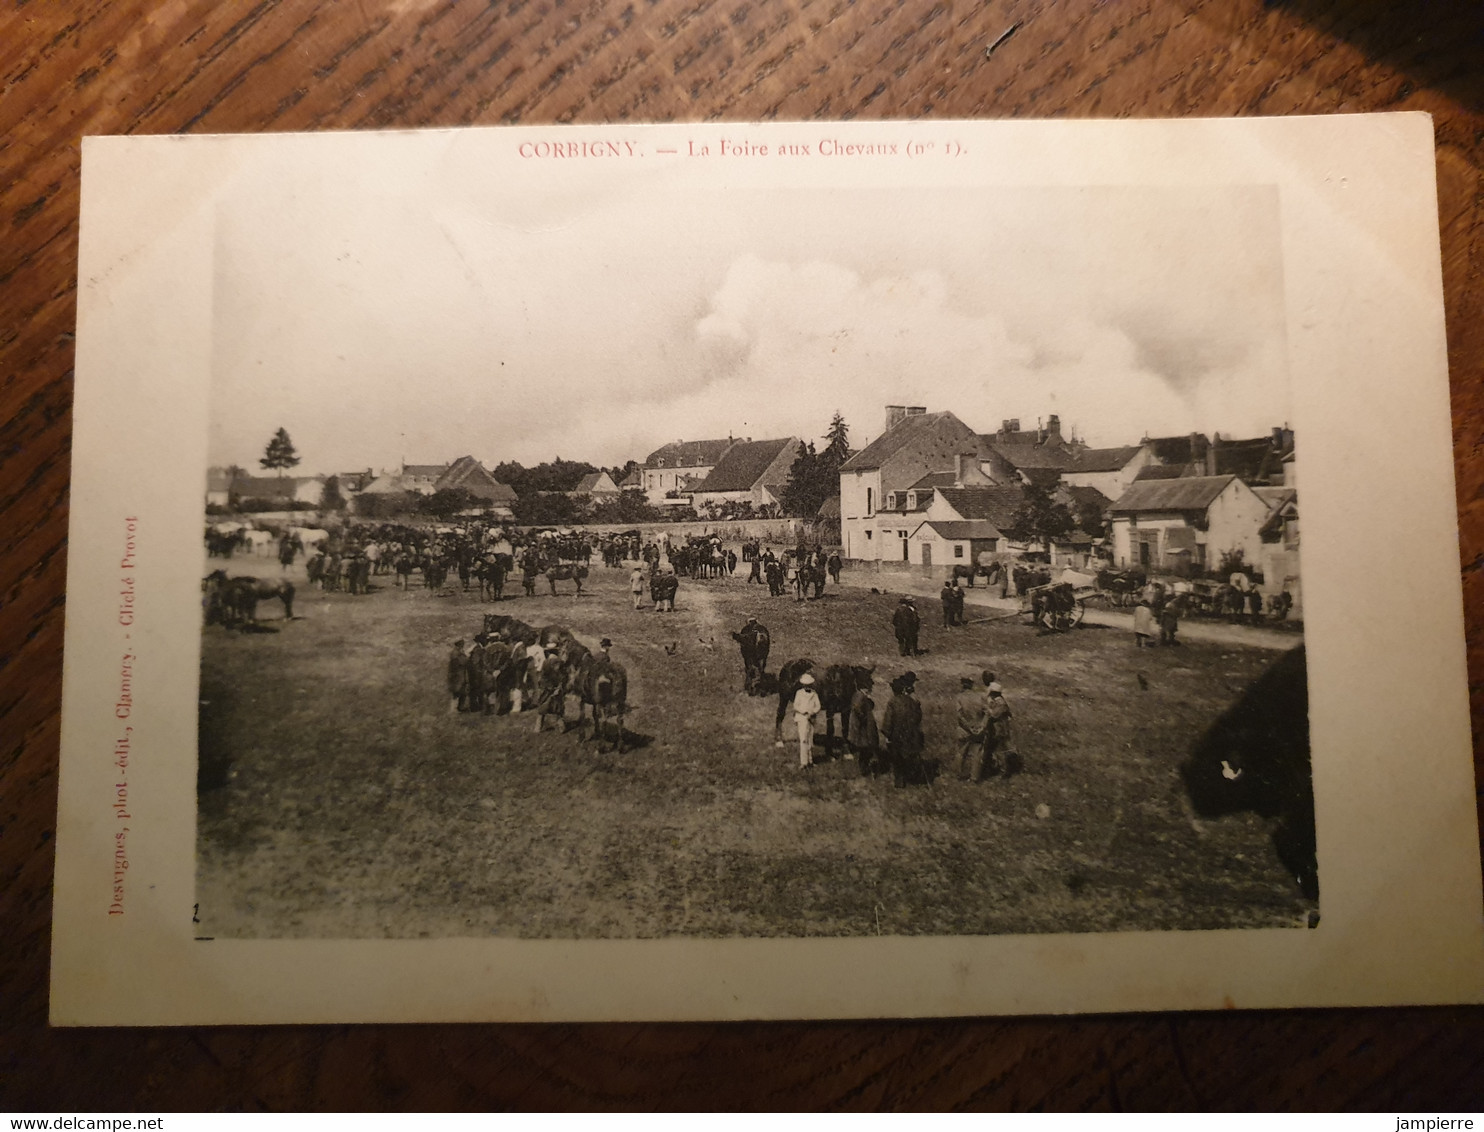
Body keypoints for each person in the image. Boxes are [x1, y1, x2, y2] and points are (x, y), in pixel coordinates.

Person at [881, 671, 925, 787]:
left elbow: (888, 721)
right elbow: (918, 717)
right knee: (909, 755)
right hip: (910, 734)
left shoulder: (892, 702)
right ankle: (912, 778)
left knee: (897, 759)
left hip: (896, 736)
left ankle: (899, 782)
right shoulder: (912, 702)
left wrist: (887, 735)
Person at [954, 674, 990, 782]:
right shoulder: (979, 696)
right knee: (977, 754)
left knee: (961, 752)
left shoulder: (959, 697)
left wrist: (969, 726)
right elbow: (988, 712)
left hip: (964, 729)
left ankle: (959, 775)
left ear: (962, 685)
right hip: (978, 729)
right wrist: (982, 726)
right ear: (971, 685)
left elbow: (959, 715)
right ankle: (974, 777)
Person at [848, 673, 881, 775]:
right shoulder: (860, 696)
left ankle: (865, 768)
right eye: (869, 687)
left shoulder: (859, 695)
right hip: (862, 729)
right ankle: (864, 769)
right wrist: (863, 718)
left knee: (865, 749)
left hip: (861, 728)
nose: (870, 689)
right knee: (865, 749)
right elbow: (857, 709)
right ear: (864, 687)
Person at [731, 616, 771, 696]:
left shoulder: (745, 630)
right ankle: (760, 688)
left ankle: (750, 688)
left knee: (750, 668)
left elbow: (744, 650)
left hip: (750, 652)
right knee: (760, 668)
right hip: (761, 652)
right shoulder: (763, 631)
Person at [986, 681, 1018, 774]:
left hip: (1000, 728)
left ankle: (1004, 768)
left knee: (1001, 748)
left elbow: (994, 715)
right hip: (1001, 727)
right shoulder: (999, 700)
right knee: (1002, 747)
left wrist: (988, 710)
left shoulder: (1000, 702)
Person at [791, 672, 822, 769]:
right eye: (805, 685)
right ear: (803, 685)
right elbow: (795, 705)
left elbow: (818, 706)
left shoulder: (814, 694)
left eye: (809, 685)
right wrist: (804, 712)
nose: (807, 687)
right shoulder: (799, 693)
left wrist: (812, 712)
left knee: (810, 739)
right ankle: (803, 762)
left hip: (811, 719)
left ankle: (810, 761)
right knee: (803, 739)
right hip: (802, 718)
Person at [447, 639, 469, 713]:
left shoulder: (458, 652)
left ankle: (460, 707)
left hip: (460, 675)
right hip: (457, 676)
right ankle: (454, 709)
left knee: (462, 692)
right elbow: (463, 662)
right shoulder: (456, 653)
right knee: (456, 693)